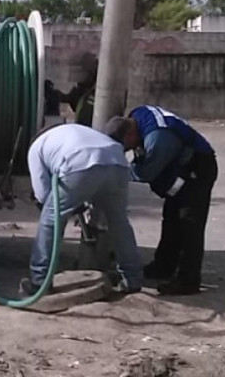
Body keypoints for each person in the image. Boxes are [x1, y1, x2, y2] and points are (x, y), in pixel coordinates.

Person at [103, 106, 219, 296]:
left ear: (131, 134)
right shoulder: (137, 115)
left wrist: (118, 170)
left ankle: (188, 280)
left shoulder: (158, 139)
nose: (128, 150)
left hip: (198, 168)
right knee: (172, 217)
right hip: (181, 165)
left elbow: (145, 172)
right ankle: (164, 265)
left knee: (189, 222)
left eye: (126, 146)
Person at [21, 122, 144, 296]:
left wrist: (65, 207)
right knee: (119, 222)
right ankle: (133, 279)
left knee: (50, 220)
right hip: (118, 161)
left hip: (81, 162)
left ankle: (39, 280)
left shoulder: (35, 148)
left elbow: (42, 195)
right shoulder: (73, 131)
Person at [45, 52, 97, 126]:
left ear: (89, 73)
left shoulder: (95, 95)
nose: (76, 75)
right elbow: (68, 98)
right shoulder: (81, 89)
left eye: (79, 71)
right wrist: (52, 93)